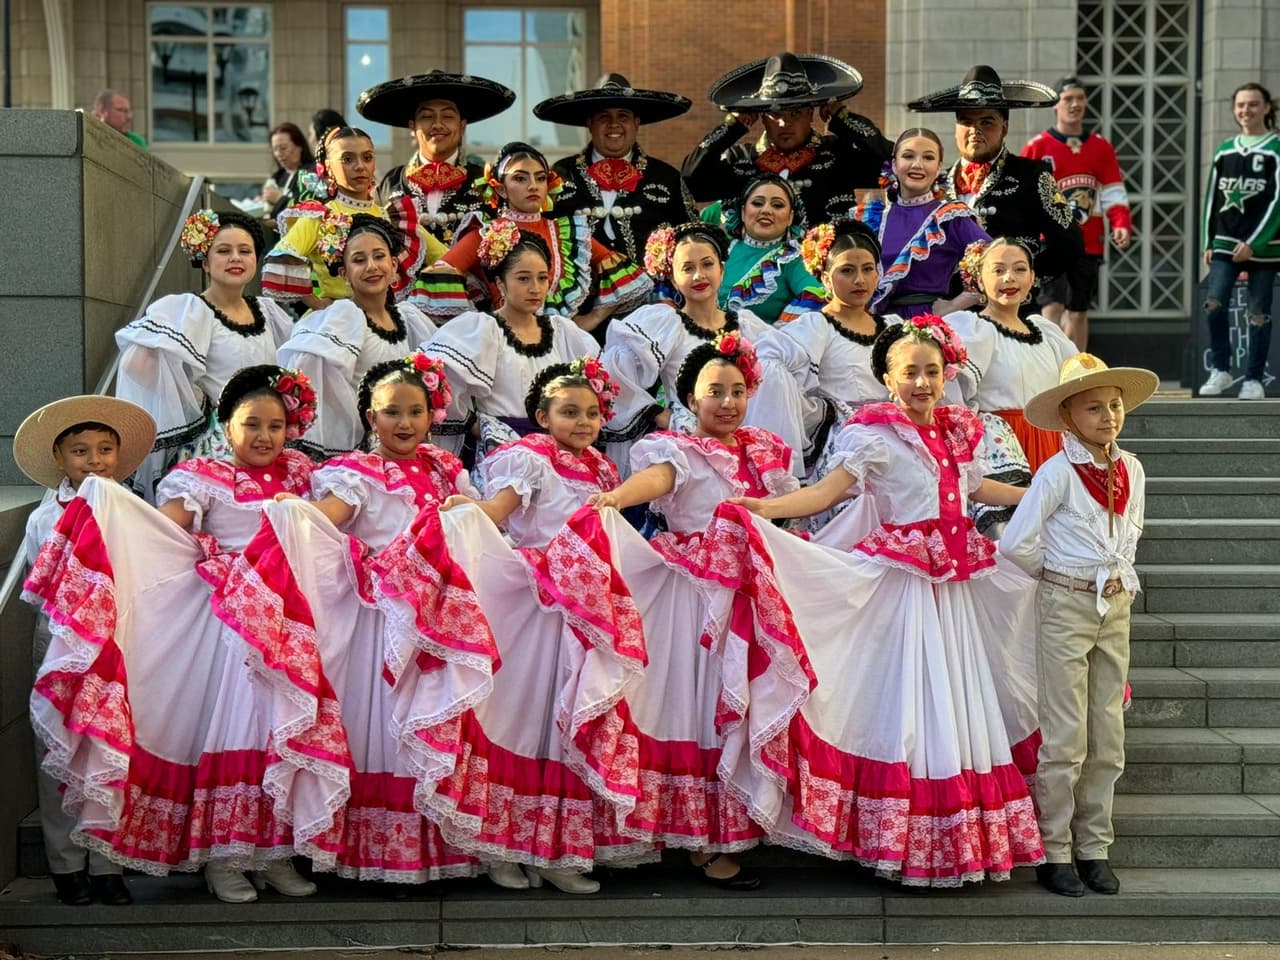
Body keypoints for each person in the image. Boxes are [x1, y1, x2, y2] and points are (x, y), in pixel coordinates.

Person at [728, 316, 1043, 888]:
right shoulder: (872, 432)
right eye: (909, 373)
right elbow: (827, 493)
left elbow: (977, 488)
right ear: (888, 378)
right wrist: (764, 510)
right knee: (909, 702)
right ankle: (902, 836)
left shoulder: (955, 431)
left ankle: (951, 835)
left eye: (931, 371)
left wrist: (1044, 494)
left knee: (955, 698)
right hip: (903, 585)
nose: (923, 382)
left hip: (953, 588)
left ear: (947, 373)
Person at [24, 365, 322, 903]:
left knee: (274, 738)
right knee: (231, 735)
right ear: (224, 425)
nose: (264, 436)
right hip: (228, 630)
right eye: (251, 423)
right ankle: (223, 859)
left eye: (276, 425)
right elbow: (163, 531)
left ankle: (272, 854)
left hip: (289, 627)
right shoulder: (201, 476)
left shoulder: (303, 473)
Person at [241, 354, 482, 886]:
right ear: (371, 417)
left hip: (435, 622)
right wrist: (296, 515)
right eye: (391, 411)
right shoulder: (358, 473)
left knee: (428, 727)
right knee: (381, 727)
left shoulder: (447, 470)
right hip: (381, 625)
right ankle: (365, 849)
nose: (404, 422)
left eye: (415, 411)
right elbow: (328, 521)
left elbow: (478, 526)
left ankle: (434, 846)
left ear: (432, 415)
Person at [588, 333, 818, 889]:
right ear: (690, 397)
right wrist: (618, 498)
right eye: (715, 391)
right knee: (698, 709)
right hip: (696, 597)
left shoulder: (763, 447)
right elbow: (658, 481)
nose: (728, 402)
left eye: (738, 391)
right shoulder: (676, 449)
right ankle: (701, 840)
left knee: (745, 704)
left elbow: (787, 503)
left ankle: (738, 825)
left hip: (754, 590)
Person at [426, 359, 644, 892]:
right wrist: (470, 512)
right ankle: (500, 845)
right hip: (537, 605)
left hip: (586, 607)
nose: (583, 422)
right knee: (524, 720)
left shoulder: (601, 470)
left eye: (592, 413)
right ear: (542, 416)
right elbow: (500, 509)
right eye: (568, 412)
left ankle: (557, 848)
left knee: (567, 720)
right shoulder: (529, 458)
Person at [1000, 353, 1157, 897]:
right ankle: (1054, 849)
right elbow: (1016, 542)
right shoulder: (1057, 472)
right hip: (1066, 603)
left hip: (1116, 606)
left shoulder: (1131, 468)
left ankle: (1095, 845)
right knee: (1065, 735)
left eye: (1114, 406)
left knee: (1108, 733)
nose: (1108, 416)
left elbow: (1131, 531)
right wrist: (1058, 576)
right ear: (1068, 416)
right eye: (1093, 408)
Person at [16, 396, 156, 906]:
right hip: (63, 644)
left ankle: (108, 864)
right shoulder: (44, 517)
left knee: (113, 751)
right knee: (59, 751)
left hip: (118, 644)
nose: (93, 460)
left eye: (104, 448)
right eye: (80, 450)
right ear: (59, 457)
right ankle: (65, 864)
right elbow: (44, 584)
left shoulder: (134, 510)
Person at [600, 221, 809, 475]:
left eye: (707, 265)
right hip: (689, 439)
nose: (699, 275)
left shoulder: (747, 325)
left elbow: (779, 378)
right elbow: (614, 374)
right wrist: (659, 414)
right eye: (687, 268)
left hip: (743, 435)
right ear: (674, 280)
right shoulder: (664, 324)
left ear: (722, 271)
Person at [115, 209, 294, 501]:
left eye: (244, 251)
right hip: (217, 446)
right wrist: (196, 402)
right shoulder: (190, 310)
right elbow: (136, 364)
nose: (235, 258)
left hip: (266, 439)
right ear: (206, 262)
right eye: (224, 251)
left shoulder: (270, 312)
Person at [412, 141, 651, 333]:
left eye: (540, 178)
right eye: (520, 178)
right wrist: (477, 325)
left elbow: (625, 275)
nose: (533, 185)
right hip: (504, 348)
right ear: (500, 188)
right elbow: (438, 278)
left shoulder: (568, 231)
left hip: (564, 349)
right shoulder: (485, 232)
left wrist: (590, 318)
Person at [419, 229, 601, 459]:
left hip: (560, 450)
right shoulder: (483, 329)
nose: (535, 288)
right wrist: (480, 427)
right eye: (523, 278)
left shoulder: (562, 331)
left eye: (542, 278)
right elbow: (440, 380)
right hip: (505, 452)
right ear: (500, 284)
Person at [276, 214, 438, 460]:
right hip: (362, 453)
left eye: (379, 256)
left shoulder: (409, 318)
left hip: (403, 443)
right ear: (344, 273)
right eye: (359, 260)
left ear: (394, 265)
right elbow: (321, 382)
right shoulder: (344, 317)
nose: (371, 266)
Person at [947, 238, 1078, 536]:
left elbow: (1076, 388)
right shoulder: (972, 330)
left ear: (1032, 277)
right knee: (1010, 543)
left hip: (1051, 445)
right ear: (978, 279)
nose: (1009, 278)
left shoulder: (1047, 332)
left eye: (1019, 269)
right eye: (998, 270)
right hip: (1000, 448)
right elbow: (954, 399)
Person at [908, 65, 1082, 288]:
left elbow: (1070, 245)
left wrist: (1025, 282)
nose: (974, 130)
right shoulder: (935, 184)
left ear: (1005, 128)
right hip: (946, 311)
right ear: (956, 127)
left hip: (1010, 309)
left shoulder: (1032, 176)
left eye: (986, 122)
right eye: (966, 121)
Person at [683, 52, 890, 223]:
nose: (784, 123)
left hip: (822, 268)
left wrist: (843, 118)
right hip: (757, 271)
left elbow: (893, 162)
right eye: (775, 114)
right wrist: (732, 127)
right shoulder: (739, 159)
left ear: (811, 113)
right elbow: (690, 180)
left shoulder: (838, 153)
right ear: (761, 117)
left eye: (796, 113)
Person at [262, 125, 443, 312]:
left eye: (367, 157)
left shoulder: (393, 217)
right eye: (347, 159)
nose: (360, 166)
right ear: (328, 167)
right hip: (335, 322)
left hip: (388, 318)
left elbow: (444, 259)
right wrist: (319, 305)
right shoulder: (319, 217)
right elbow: (281, 258)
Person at [538, 74, 696, 271]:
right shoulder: (560, 174)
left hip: (651, 295)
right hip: (575, 296)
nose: (614, 124)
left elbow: (692, 239)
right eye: (604, 116)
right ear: (590, 123)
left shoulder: (667, 177)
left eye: (623, 116)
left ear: (636, 123)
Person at [1022, 77, 1134, 350]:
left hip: (1088, 243)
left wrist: (1120, 223)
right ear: (1055, 105)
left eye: (1080, 98)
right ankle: (1048, 364)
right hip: (1050, 241)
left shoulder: (1101, 147)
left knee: (1079, 309)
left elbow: (1113, 191)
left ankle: (1079, 368)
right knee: (1051, 305)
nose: (1075, 104)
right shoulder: (1038, 147)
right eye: (1068, 99)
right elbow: (1023, 196)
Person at [363, 70, 516, 243]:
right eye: (427, 116)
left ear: (462, 125)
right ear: (413, 127)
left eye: (448, 116)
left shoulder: (486, 182)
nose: (437, 124)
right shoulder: (390, 183)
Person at [851, 128, 989, 317]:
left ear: (939, 167)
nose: (918, 164)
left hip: (927, 324)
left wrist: (957, 303)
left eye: (928, 158)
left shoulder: (950, 217)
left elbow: (995, 259)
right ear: (894, 165)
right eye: (908, 156)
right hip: (873, 323)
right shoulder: (872, 216)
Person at [1199, 81, 1280, 400]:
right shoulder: (1225, 150)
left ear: (1267, 108)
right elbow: (1211, 199)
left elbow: (1278, 202)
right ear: (1234, 110)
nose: (1246, 110)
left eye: (1253, 104)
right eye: (1241, 105)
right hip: (1224, 242)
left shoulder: (1275, 150)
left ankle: (1254, 378)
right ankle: (1221, 368)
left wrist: (1256, 242)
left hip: (1265, 247)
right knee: (1214, 304)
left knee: (1258, 312)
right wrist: (1208, 240)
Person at [715, 175, 827, 325]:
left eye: (778, 205)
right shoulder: (723, 250)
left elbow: (817, 294)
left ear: (790, 217)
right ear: (743, 212)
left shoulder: (792, 257)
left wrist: (776, 337)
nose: (766, 210)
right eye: (757, 203)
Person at [261, 122, 315, 218]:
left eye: (283, 148)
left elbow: (311, 210)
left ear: (299, 146)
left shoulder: (311, 174)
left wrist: (279, 199)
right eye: (275, 149)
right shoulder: (277, 177)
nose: (278, 154)